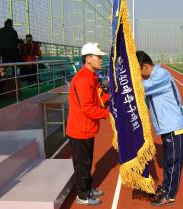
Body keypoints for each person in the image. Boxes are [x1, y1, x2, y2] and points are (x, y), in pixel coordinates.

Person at [136, 51, 183, 207]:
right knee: (167, 161)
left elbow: (141, 89)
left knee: (173, 162)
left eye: (138, 72)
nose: (139, 76)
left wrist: (125, 83)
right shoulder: (153, 77)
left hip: (174, 126)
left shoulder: (162, 75)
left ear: (145, 67)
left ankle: (170, 195)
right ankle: (166, 188)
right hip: (167, 127)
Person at [66, 42, 109, 205]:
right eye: (98, 57)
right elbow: (89, 108)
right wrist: (109, 114)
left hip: (87, 128)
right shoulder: (83, 79)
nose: (100, 60)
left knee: (87, 161)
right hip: (80, 129)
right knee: (82, 164)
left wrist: (113, 100)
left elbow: (99, 97)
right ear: (89, 59)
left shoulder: (92, 76)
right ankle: (82, 195)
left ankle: (88, 188)